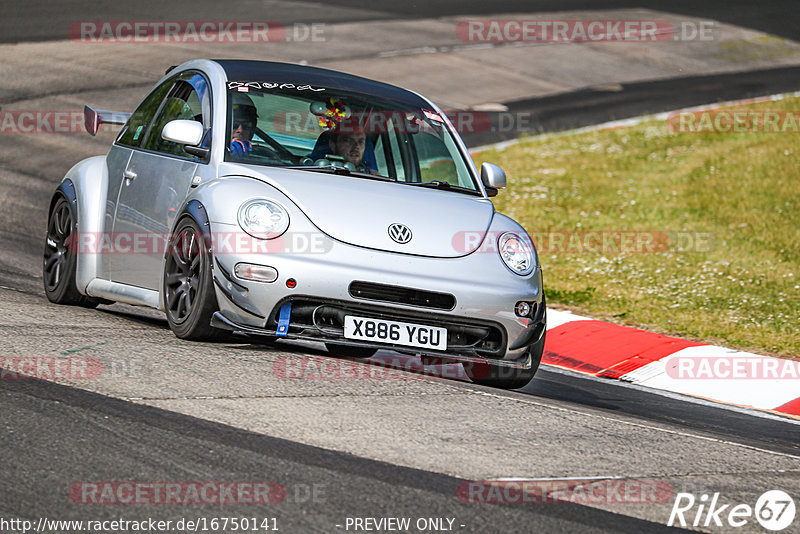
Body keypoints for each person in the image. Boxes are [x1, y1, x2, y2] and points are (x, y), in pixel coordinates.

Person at [229, 92, 258, 157]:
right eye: (234, 125)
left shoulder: (262, 156)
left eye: (246, 125)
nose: (240, 130)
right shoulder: (208, 151)